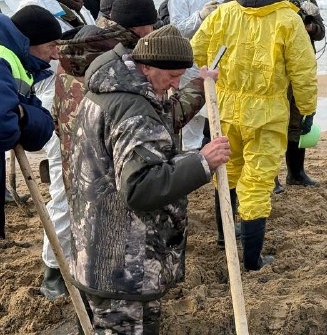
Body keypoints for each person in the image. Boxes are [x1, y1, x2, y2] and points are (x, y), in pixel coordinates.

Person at [68, 25, 229, 333]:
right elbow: (140, 186)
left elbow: (157, 126)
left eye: (181, 76)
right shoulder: (135, 112)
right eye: (171, 77)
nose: (174, 84)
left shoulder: (106, 91)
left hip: (92, 254)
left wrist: (200, 85)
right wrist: (201, 163)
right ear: (145, 67)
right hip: (124, 269)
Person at [192, 0, 317, 270]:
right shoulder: (287, 19)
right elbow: (303, 69)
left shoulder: (224, 13)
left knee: (226, 170)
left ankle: (225, 236)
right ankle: (252, 259)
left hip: (224, 110)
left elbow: (195, 50)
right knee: (258, 181)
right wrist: (308, 109)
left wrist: (208, 77)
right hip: (267, 114)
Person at [10, 0, 96, 299]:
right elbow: (38, 74)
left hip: (80, 105)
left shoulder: (77, 8)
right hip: (56, 107)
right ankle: (53, 272)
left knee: (79, 190)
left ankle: (70, 259)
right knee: (63, 189)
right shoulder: (42, 14)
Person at [54, 0, 157, 195]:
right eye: (152, 25)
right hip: (106, 168)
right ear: (139, 26)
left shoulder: (68, 56)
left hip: (73, 158)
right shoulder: (124, 62)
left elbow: (56, 117)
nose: (153, 31)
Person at [1, 6, 61, 239]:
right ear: (29, 43)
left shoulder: (21, 65)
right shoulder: (3, 59)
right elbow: (4, 127)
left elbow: (41, 131)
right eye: (51, 45)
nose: (56, 55)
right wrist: (22, 116)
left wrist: (23, 114)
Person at [169, 0, 230, 150]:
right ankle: (189, 155)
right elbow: (177, 29)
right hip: (190, 62)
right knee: (191, 116)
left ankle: (217, 153)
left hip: (220, 59)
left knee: (220, 111)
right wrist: (201, 16)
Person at [280, 0, 325, 187]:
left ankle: (296, 173)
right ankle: (271, 178)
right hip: (276, 71)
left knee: (298, 123)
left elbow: (321, 32)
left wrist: (308, 25)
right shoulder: (271, 0)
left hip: (301, 71)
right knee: (275, 123)